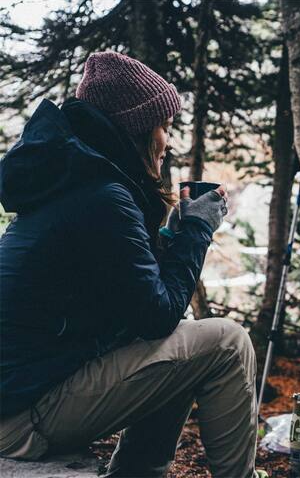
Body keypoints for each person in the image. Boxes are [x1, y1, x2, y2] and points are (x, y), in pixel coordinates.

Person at [0, 51, 261, 477]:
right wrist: (197, 231)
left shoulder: (75, 185)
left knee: (182, 348)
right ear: (136, 128)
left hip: (19, 399)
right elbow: (156, 316)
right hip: (21, 417)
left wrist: (173, 236)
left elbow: (135, 304)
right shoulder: (102, 196)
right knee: (227, 343)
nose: (168, 141)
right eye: (164, 126)